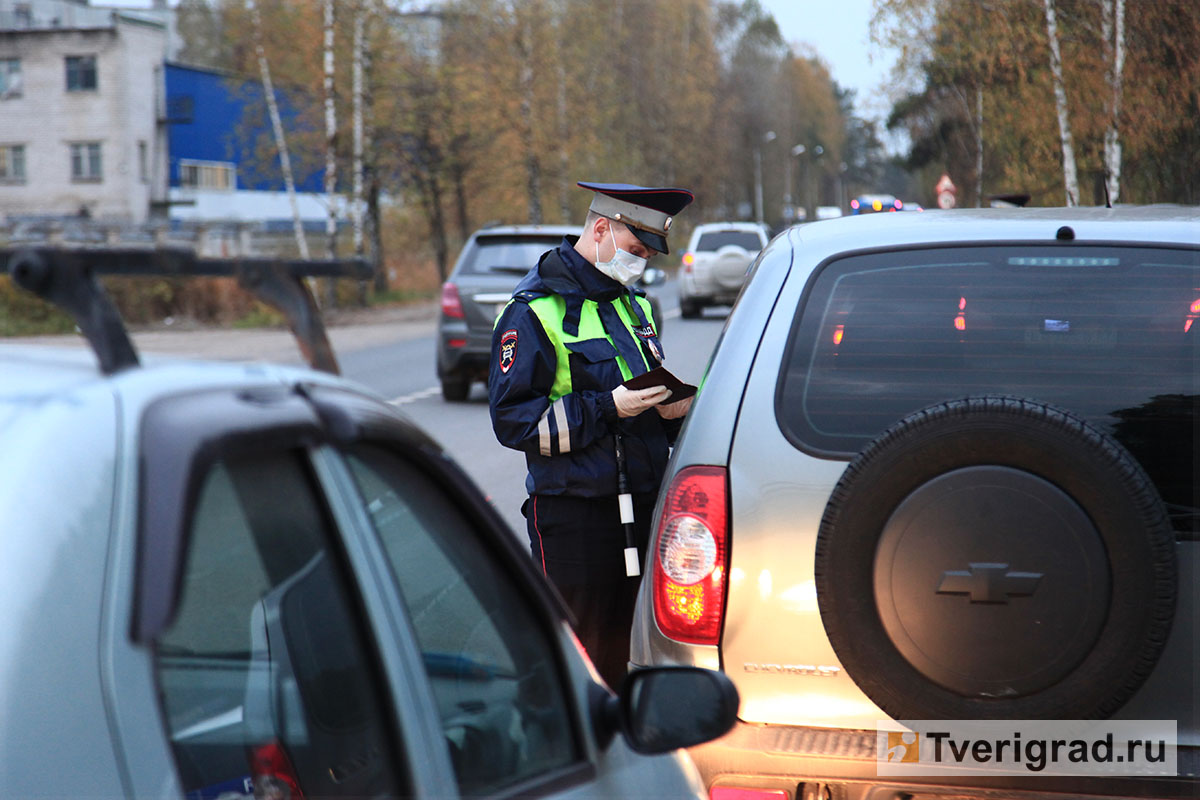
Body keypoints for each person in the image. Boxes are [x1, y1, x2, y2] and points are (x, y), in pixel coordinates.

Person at [488, 181, 694, 689]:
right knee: (580, 661)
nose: (640, 264)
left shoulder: (634, 306)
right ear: (601, 229)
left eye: (647, 255)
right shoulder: (532, 312)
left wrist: (673, 412)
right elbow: (515, 423)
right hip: (576, 515)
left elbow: (646, 385)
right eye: (636, 250)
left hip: (644, 508)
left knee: (641, 651)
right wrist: (608, 406)